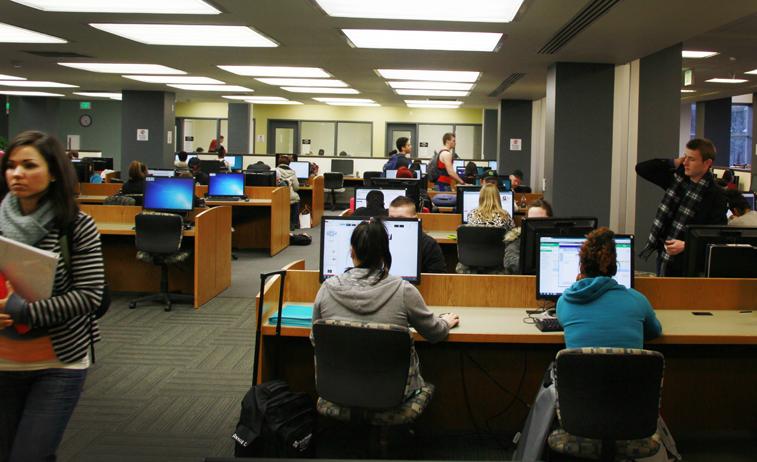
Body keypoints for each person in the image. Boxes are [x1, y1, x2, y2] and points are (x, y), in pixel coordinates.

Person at [0, 130, 106, 461]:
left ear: (53, 173)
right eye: (11, 165)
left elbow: (90, 296)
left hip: (57, 362)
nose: (17, 174)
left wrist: (22, 310)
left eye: (29, 165)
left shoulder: (75, 225)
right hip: (3, 360)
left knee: (31, 454)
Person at [311, 218, 459, 401]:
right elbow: (434, 333)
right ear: (384, 255)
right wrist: (444, 321)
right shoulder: (404, 290)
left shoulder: (327, 288)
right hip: (393, 394)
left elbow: (315, 339)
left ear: (352, 251)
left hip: (337, 388)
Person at [557, 227, 662, 348]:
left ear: (581, 267)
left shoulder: (565, 301)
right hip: (628, 367)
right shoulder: (638, 300)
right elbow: (654, 332)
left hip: (582, 367)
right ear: (614, 268)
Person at [636, 138, 727, 276]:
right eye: (685, 157)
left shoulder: (716, 195)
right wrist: (674, 161)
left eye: (691, 159)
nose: (685, 162)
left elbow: (717, 236)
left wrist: (686, 245)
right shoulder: (677, 181)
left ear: (707, 163)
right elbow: (642, 168)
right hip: (664, 256)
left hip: (689, 264)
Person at [456, 184, 515, 274]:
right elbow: (512, 236)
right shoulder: (505, 216)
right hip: (497, 261)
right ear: (497, 197)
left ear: (481, 197)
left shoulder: (472, 214)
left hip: (473, 260)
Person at [388, 196, 446, 273]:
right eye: (391, 218)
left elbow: (438, 278)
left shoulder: (428, 244)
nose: (395, 223)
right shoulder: (381, 240)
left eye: (402, 219)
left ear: (415, 218)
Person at [503, 199, 554, 274]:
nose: (536, 225)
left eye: (540, 220)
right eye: (532, 220)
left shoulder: (556, 239)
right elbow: (510, 262)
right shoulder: (518, 239)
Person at [275, 155, 301, 231]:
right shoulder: (292, 173)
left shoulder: (275, 170)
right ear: (289, 163)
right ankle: (293, 223)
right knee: (296, 198)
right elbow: (296, 188)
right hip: (290, 197)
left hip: (277, 196)